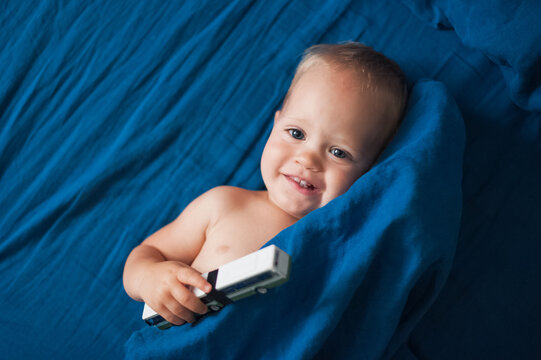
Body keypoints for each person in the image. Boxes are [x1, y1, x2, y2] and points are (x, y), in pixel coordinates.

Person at [123, 42, 408, 326]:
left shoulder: (346, 242)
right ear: (276, 124)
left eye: (339, 152)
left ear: (370, 170)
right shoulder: (225, 204)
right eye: (296, 133)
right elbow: (146, 254)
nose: (307, 160)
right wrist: (150, 277)